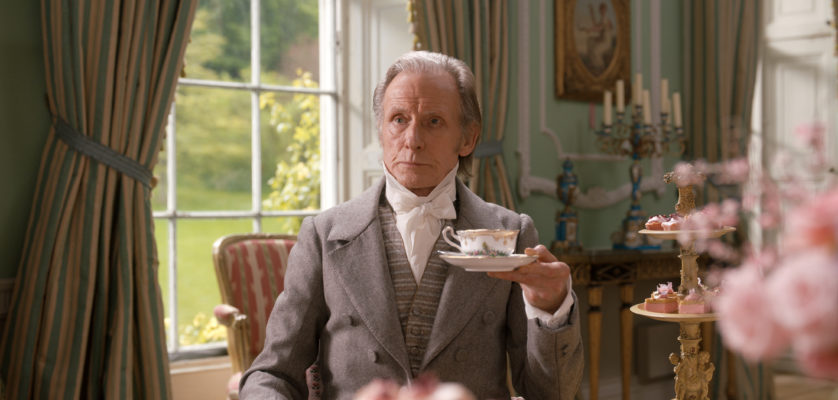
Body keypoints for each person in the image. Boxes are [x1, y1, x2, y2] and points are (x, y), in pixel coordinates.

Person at [239, 51, 583, 400]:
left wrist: (552, 310)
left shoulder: (512, 234)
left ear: (468, 138)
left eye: (433, 121)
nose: (413, 139)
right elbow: (272, 374)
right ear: (381, 131)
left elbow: (551, 394)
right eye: (399, 119)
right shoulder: (323, 236)